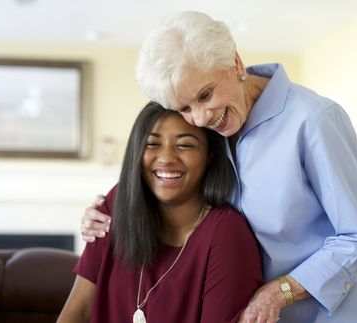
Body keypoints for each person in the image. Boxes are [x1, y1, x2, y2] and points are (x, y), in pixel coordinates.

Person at [81, 11, 357, 323]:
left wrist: (280, 292)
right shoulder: (211, 131)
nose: (200, 118)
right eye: (185, 108)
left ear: (236, 64)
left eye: (205, 95)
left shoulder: (314, 120)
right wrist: (108, 214)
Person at [58, 102, 263, 323]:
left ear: (210, 155)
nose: (166, 158)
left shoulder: (227, 235)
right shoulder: (117, 205)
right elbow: (76, 312)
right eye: (152, 144)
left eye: (184, 145)